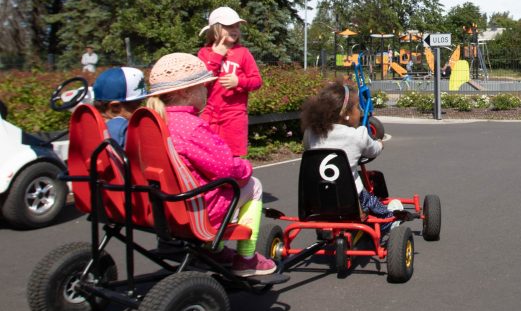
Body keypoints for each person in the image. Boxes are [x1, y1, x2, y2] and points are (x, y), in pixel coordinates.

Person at [146, 52, 277, 276]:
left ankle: (213, 250)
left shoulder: (154, 121)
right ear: (185, 92)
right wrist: (245, 167)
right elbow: (226, 169)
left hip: (161, 206)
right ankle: (246, 257)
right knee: (252, 185)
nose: (207, 90)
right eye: (203, 86)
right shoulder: (192, 126)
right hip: (195, 208)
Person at [300, 80, 411, 226]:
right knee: (381, 210)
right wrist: (379, 143)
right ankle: (390, 218)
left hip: (316, 198)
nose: (360, 112)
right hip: (352, 200)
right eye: (357, 107)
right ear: (345, 114)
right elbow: (373, 151)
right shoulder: (359, 135)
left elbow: (310, 151)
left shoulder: (311, 133)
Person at [197, 6, 263, 157]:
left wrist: (239, 81)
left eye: (237, 26)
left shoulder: (243, 53)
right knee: (209, 155)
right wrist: (217, 56)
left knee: (232, 157)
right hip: (209, 114)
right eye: (229, 26)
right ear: (216, 29)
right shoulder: (204, 53)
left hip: (235, 116)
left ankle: (232, 181)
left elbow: (257, 81)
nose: (235, 30)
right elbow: (202, 82)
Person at [91, 66, 148, 146]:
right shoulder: (124, 130)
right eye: (137, 105)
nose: (141, 109)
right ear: (115, 106)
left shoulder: (88, 126)